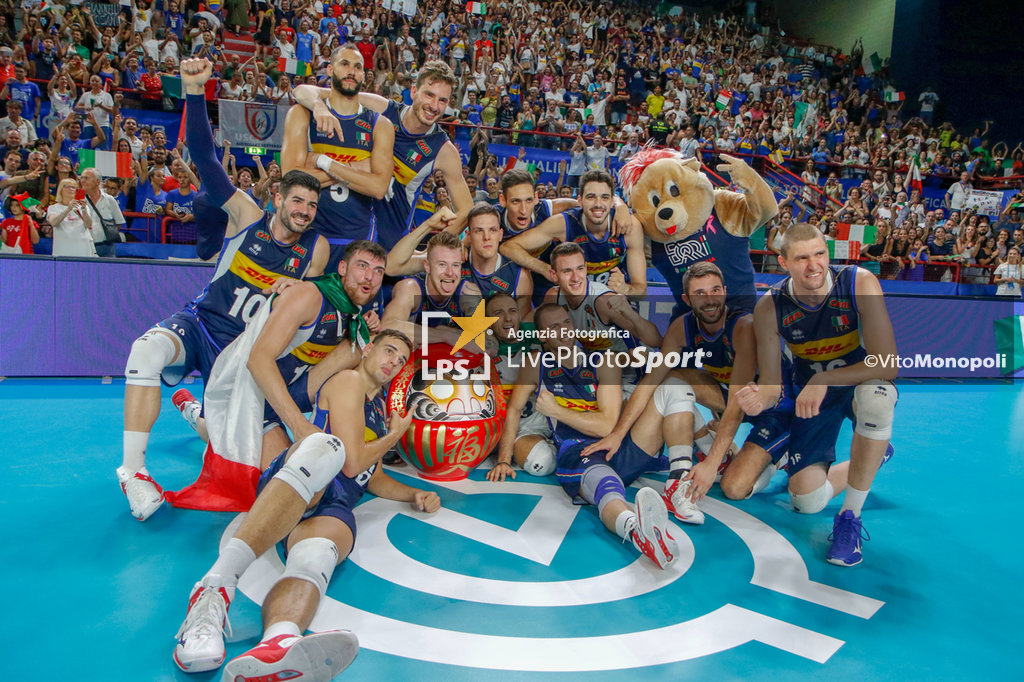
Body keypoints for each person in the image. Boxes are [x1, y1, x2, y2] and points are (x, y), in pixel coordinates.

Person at [117, 58, 330, 522]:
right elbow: (206, 160)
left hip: (242, 355)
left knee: (230, 444)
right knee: (144, 353)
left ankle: (194, 410)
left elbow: (302, 317)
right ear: (278, 199)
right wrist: (195, 92)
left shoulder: (315, 253)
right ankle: (133, 473)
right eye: (297, 200)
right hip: (201, 326)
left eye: (312, 205)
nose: (304, 210)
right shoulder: (247, 216)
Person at [172, 329, 441, 679]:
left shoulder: (377, 406)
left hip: (337, 502)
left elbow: (370, 477)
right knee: (327, 448)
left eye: (401, 360)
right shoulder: (349, 381)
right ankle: (214, 589)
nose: (394, 361)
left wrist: (412, 494)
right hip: (305, 481)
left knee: (315, 559)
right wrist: (395, 434)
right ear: (369, 349)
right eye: (389, 351)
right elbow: (352, 463)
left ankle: (278, 643)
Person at [737, 223, 898, 567]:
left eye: (820, 254)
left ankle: (850, 519)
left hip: (856, 381)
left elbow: (887, 363)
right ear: (783, 262)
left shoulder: (858, 282)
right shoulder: (771, 306)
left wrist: (826, 378)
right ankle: (869, 457)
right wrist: (757, 397)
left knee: (878, 401)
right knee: (806, 502)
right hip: (813, 396)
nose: (814, 266)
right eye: (802, 258)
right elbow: (771, 383)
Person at [489, 302, 677, 569]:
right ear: (542, 336)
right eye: (554, 327)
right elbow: (514, 410)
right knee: (606, 489)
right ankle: (637, 530)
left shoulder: (604, 360)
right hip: (579, 453)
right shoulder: (536, 364)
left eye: (566, 322)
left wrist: (557, 410)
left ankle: (684, 475)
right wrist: (504, 460)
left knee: (670, 390)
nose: (564, 330)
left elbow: (607, 426)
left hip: (616, 445)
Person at [294, 60, 474, 249]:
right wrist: (320, 107)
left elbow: (466, 210)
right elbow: (303, 91)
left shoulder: (443, 149)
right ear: (414, 92)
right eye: (429, 95)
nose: (434, 106)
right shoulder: (382, 109)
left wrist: (433, 250)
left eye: (442, 100)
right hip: (348, 230)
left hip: (388, 246)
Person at [281, 44, 395, 273]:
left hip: (358, 240)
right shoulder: (302, 114)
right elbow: (291, 180)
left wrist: (322, 161)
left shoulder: (379, 124)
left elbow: (378, 187)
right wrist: (358, 170)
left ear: (364, 75)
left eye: (358, 67)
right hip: (308, 235)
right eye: (344, 64)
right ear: (331, 69)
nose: (351, 71)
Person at [501, 170, 646, 298]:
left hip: (611, 300)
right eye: (590, 197)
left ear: (611, 201)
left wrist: (625, 289)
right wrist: (544, 268)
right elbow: (508, 247)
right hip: (573, 299)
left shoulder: (630, 227)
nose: (598, 204)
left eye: (604, 197)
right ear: (580, 201)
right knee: (552, 301)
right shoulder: (562, 223)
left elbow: (641, 290)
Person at [381, 230, 486, 350]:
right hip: (411, 365)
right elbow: (387, 326)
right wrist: (446, 335)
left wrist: (439, 332)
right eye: (442, 265)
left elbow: (486, 344)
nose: (450, 273)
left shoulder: (468, 292)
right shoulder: (411, 288)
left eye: (455, 265)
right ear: (427, 266)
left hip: (451, 365)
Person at [80, 167, 126, 258]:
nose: (83, 181)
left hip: (106, 247)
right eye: (81, 178)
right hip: (84, 246)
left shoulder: (109, 200)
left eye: (86, 178)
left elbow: (119, 222)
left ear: (97, 181)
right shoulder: (78, 200)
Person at [46, 177, 96, 257]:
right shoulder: (54, 208)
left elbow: (88, 225)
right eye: (68, 186)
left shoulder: (83, 207)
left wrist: (83, 209)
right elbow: (54, 222)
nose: (72, 189)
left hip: (83, 249)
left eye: (74, 187)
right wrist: (68, 209)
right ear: (61, 189)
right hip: (63, 250)